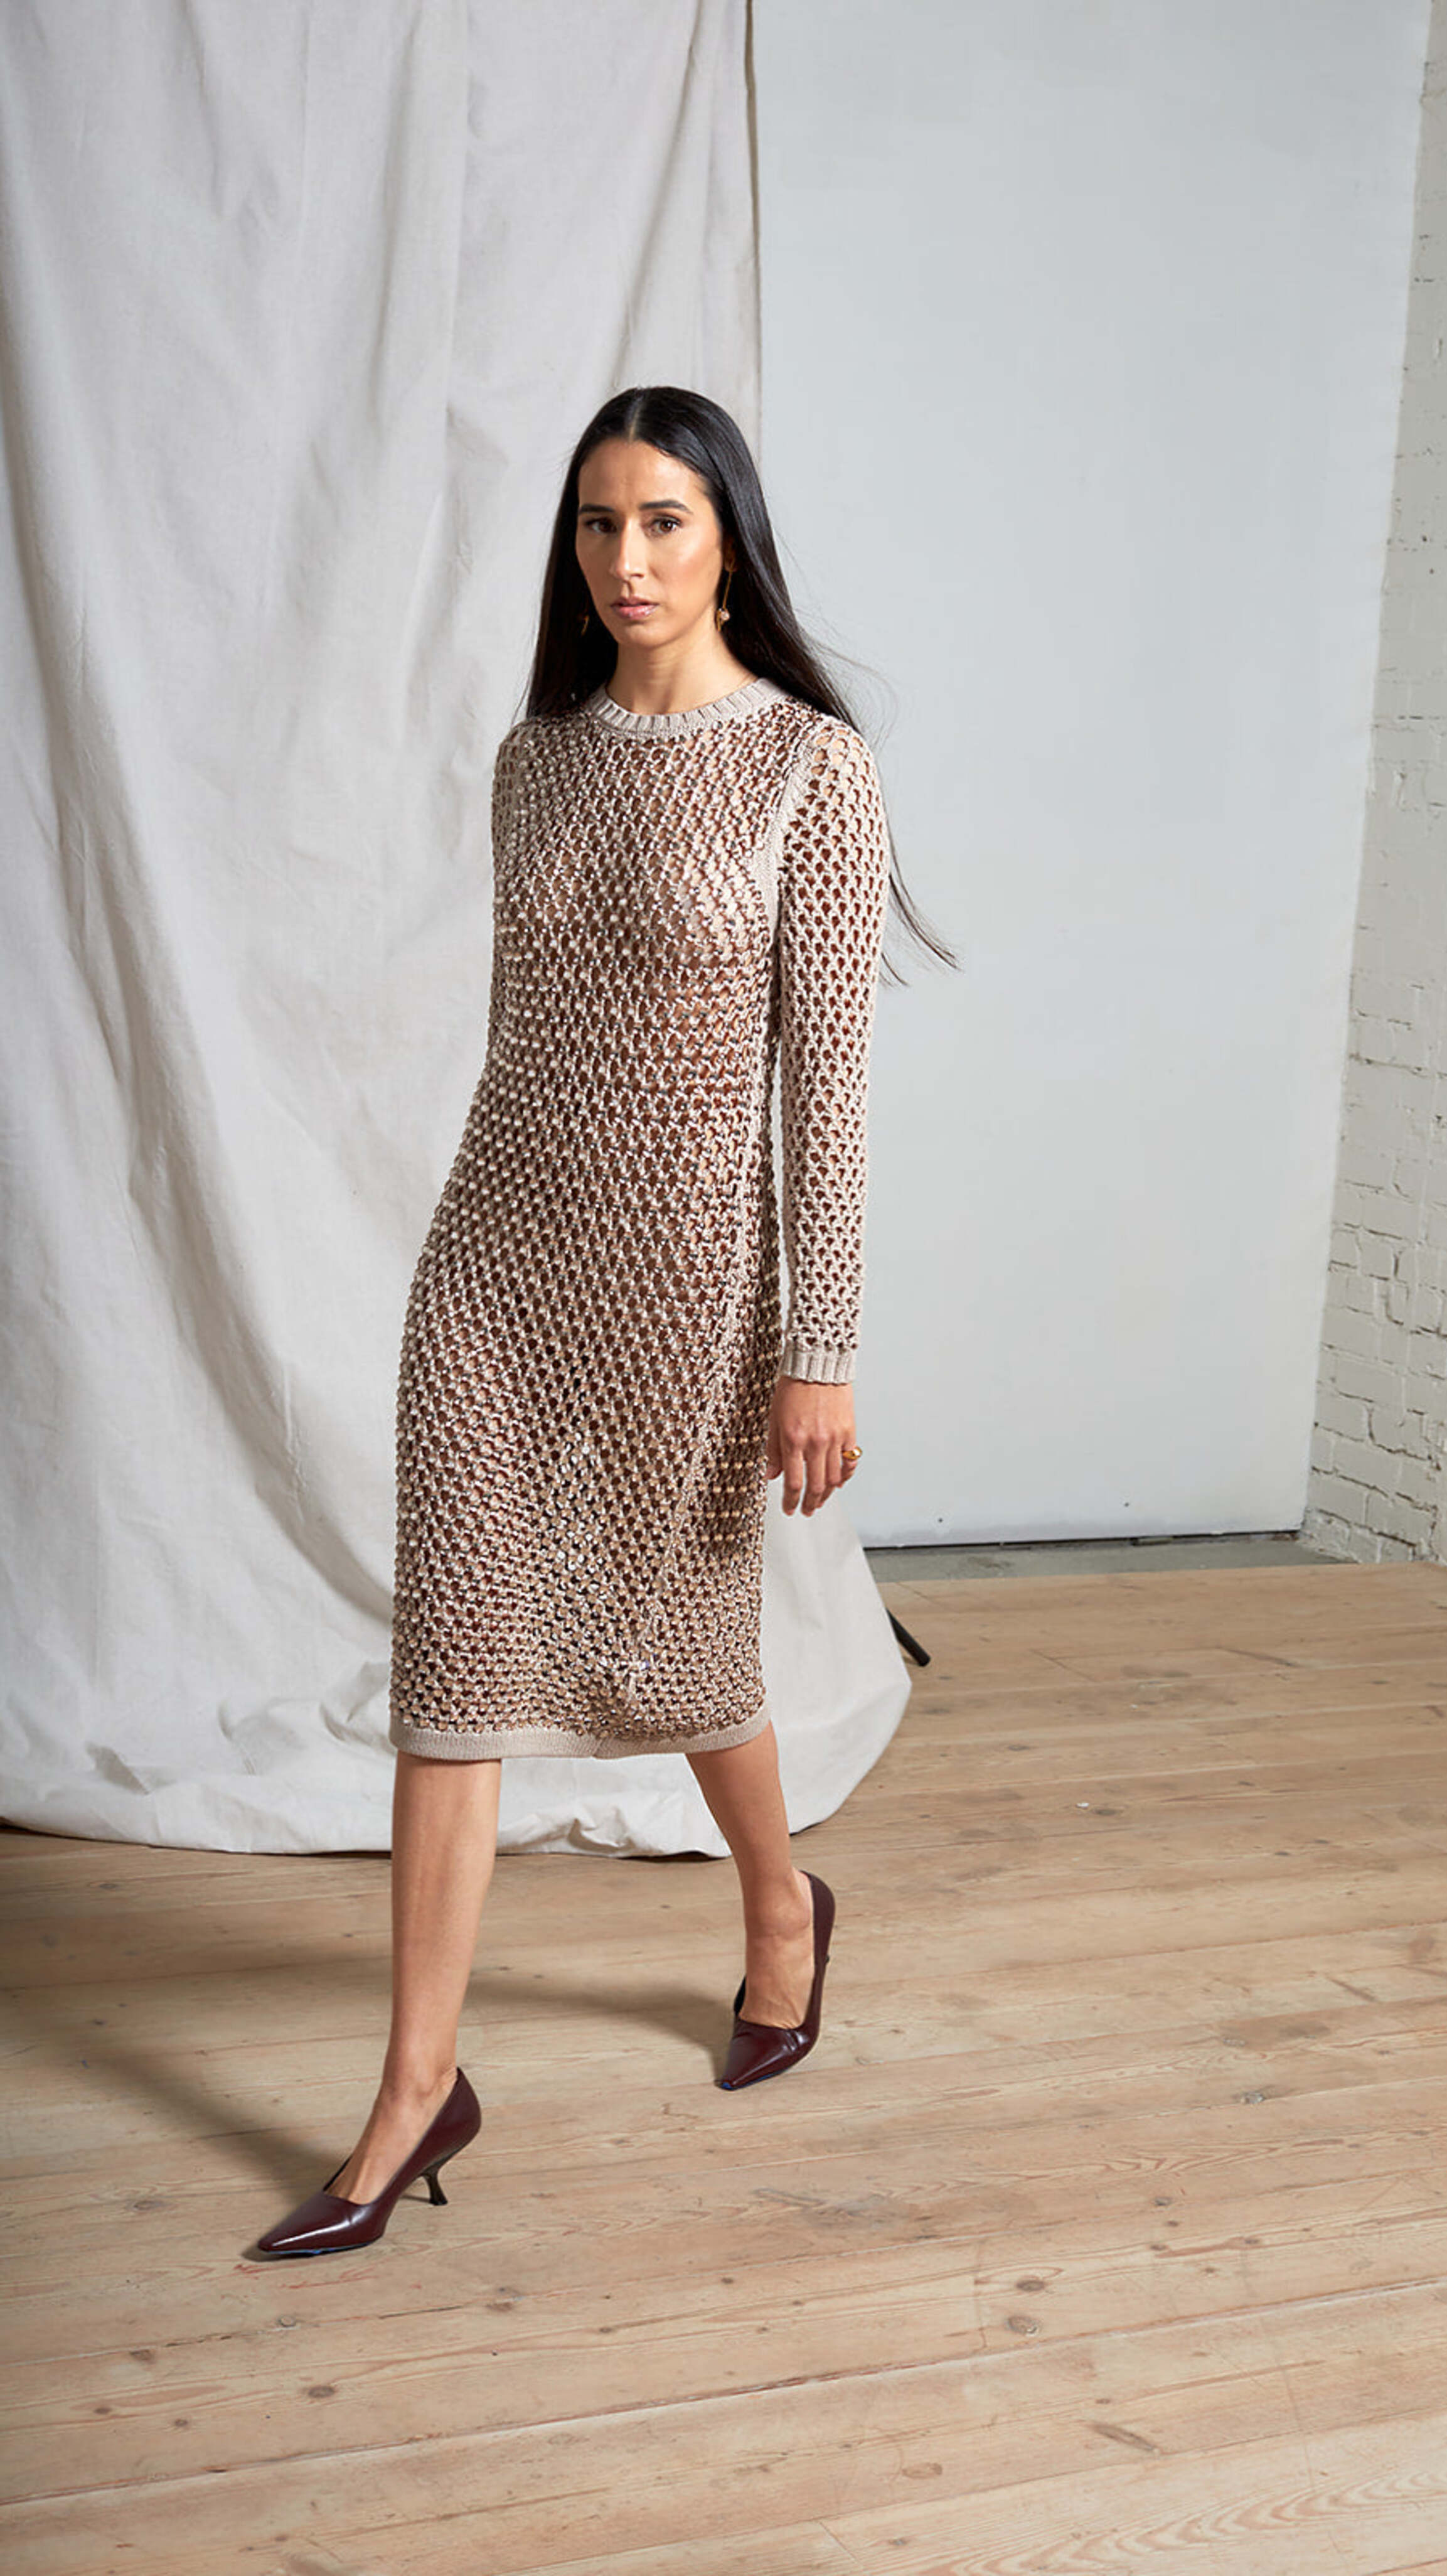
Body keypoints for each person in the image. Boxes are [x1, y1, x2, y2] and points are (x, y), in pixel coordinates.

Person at [254, 386, 952, 2258]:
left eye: (662, 520)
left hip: (695, 1292)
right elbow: (530, 1041)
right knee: (460, 1660)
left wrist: (821, 1347)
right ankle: (416, 2086)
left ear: (728, 538)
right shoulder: (534, 758)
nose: (625, 559)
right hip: (491, 1268)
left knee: (687, 1642)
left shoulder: (809, 767)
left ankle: (782, 1908)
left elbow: (827, 1092)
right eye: (595, 522)